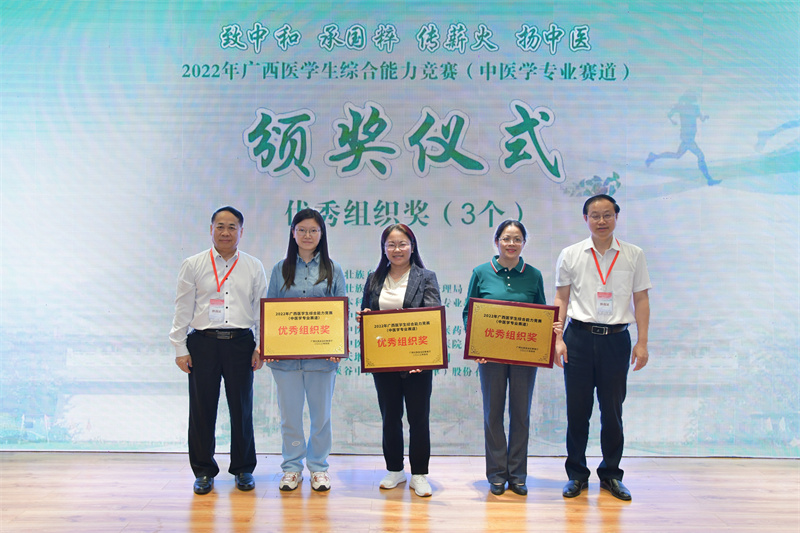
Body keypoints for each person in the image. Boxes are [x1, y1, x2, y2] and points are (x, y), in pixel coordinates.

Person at [554, 194, 651, 501]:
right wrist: (557, 339)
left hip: (616, 340)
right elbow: (561, 298)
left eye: (607, 215)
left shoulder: (633, 254)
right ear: (585, 219)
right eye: (595, 215)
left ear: (616, 217)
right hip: (578, 338)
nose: (601, 221)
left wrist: (643, 342)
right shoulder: (571, 254)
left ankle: (611, 474)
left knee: (612, 411)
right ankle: (577, 474)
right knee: (577, 411)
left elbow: (641, 299)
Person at [169, 206, 267, 495]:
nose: (226, 232)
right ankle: (203, 471)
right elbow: (183, 307)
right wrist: (180, 347)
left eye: (232, 227)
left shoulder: (253, 266)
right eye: (220, 226)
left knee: (242, 408)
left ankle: (243, 468)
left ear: (241, 232)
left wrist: (261, 346)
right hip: (203, 343)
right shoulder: (193, 264)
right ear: (211, 229)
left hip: (240, 343)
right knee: (202, 409)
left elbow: (261, 309)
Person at [462, 220, 549, 497]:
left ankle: (518, 475)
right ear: (497, 241)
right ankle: (497, 474)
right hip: (491, 356)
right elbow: (469, 312)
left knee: (520, 414)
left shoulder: (533, 275)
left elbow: (542, 313)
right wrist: (477, 346)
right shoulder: (481, 272)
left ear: (524, 243)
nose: (511, 244)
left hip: (524, 356)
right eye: (506, 238)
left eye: (517, 239)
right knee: (493, 413)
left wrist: (549, 332)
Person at [264, 208, 346, 492]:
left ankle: (319, 468)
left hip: (322, 360)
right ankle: (291, 468)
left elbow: (340, 313)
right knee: (290, 417)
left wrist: (337, 347)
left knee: (321, 418)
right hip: (286, 361)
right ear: (293, 233)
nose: (307, 235)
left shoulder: (333, 269)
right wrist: (269, 345)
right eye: (302, 230)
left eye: (313, 230)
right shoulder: (280, 269)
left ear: (321, 234)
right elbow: (271, 311)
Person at [358, 224, 441, 498]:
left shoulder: (426, 277)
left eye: (402, 243)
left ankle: (419, 474)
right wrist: (364, 317)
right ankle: (394, 469)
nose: (397, 249)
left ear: (412, 247)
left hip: (417, 362)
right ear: (384, 249)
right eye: (391, 244)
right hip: (384, 360)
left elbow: (432, 317)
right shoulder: (374, 279)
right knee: (390, 417)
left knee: (419, 418)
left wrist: (424, 357)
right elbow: (367, 313)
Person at [645, 90, 721, 186]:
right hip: (687, 138)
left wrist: (704, 117)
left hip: (688, 137)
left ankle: (654, 156)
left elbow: (700, 118)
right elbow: (670, 115)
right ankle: (709, 179)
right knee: (700, 156)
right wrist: (673, 120)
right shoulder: (685, 107)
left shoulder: (690, 108)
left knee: (678, 155)